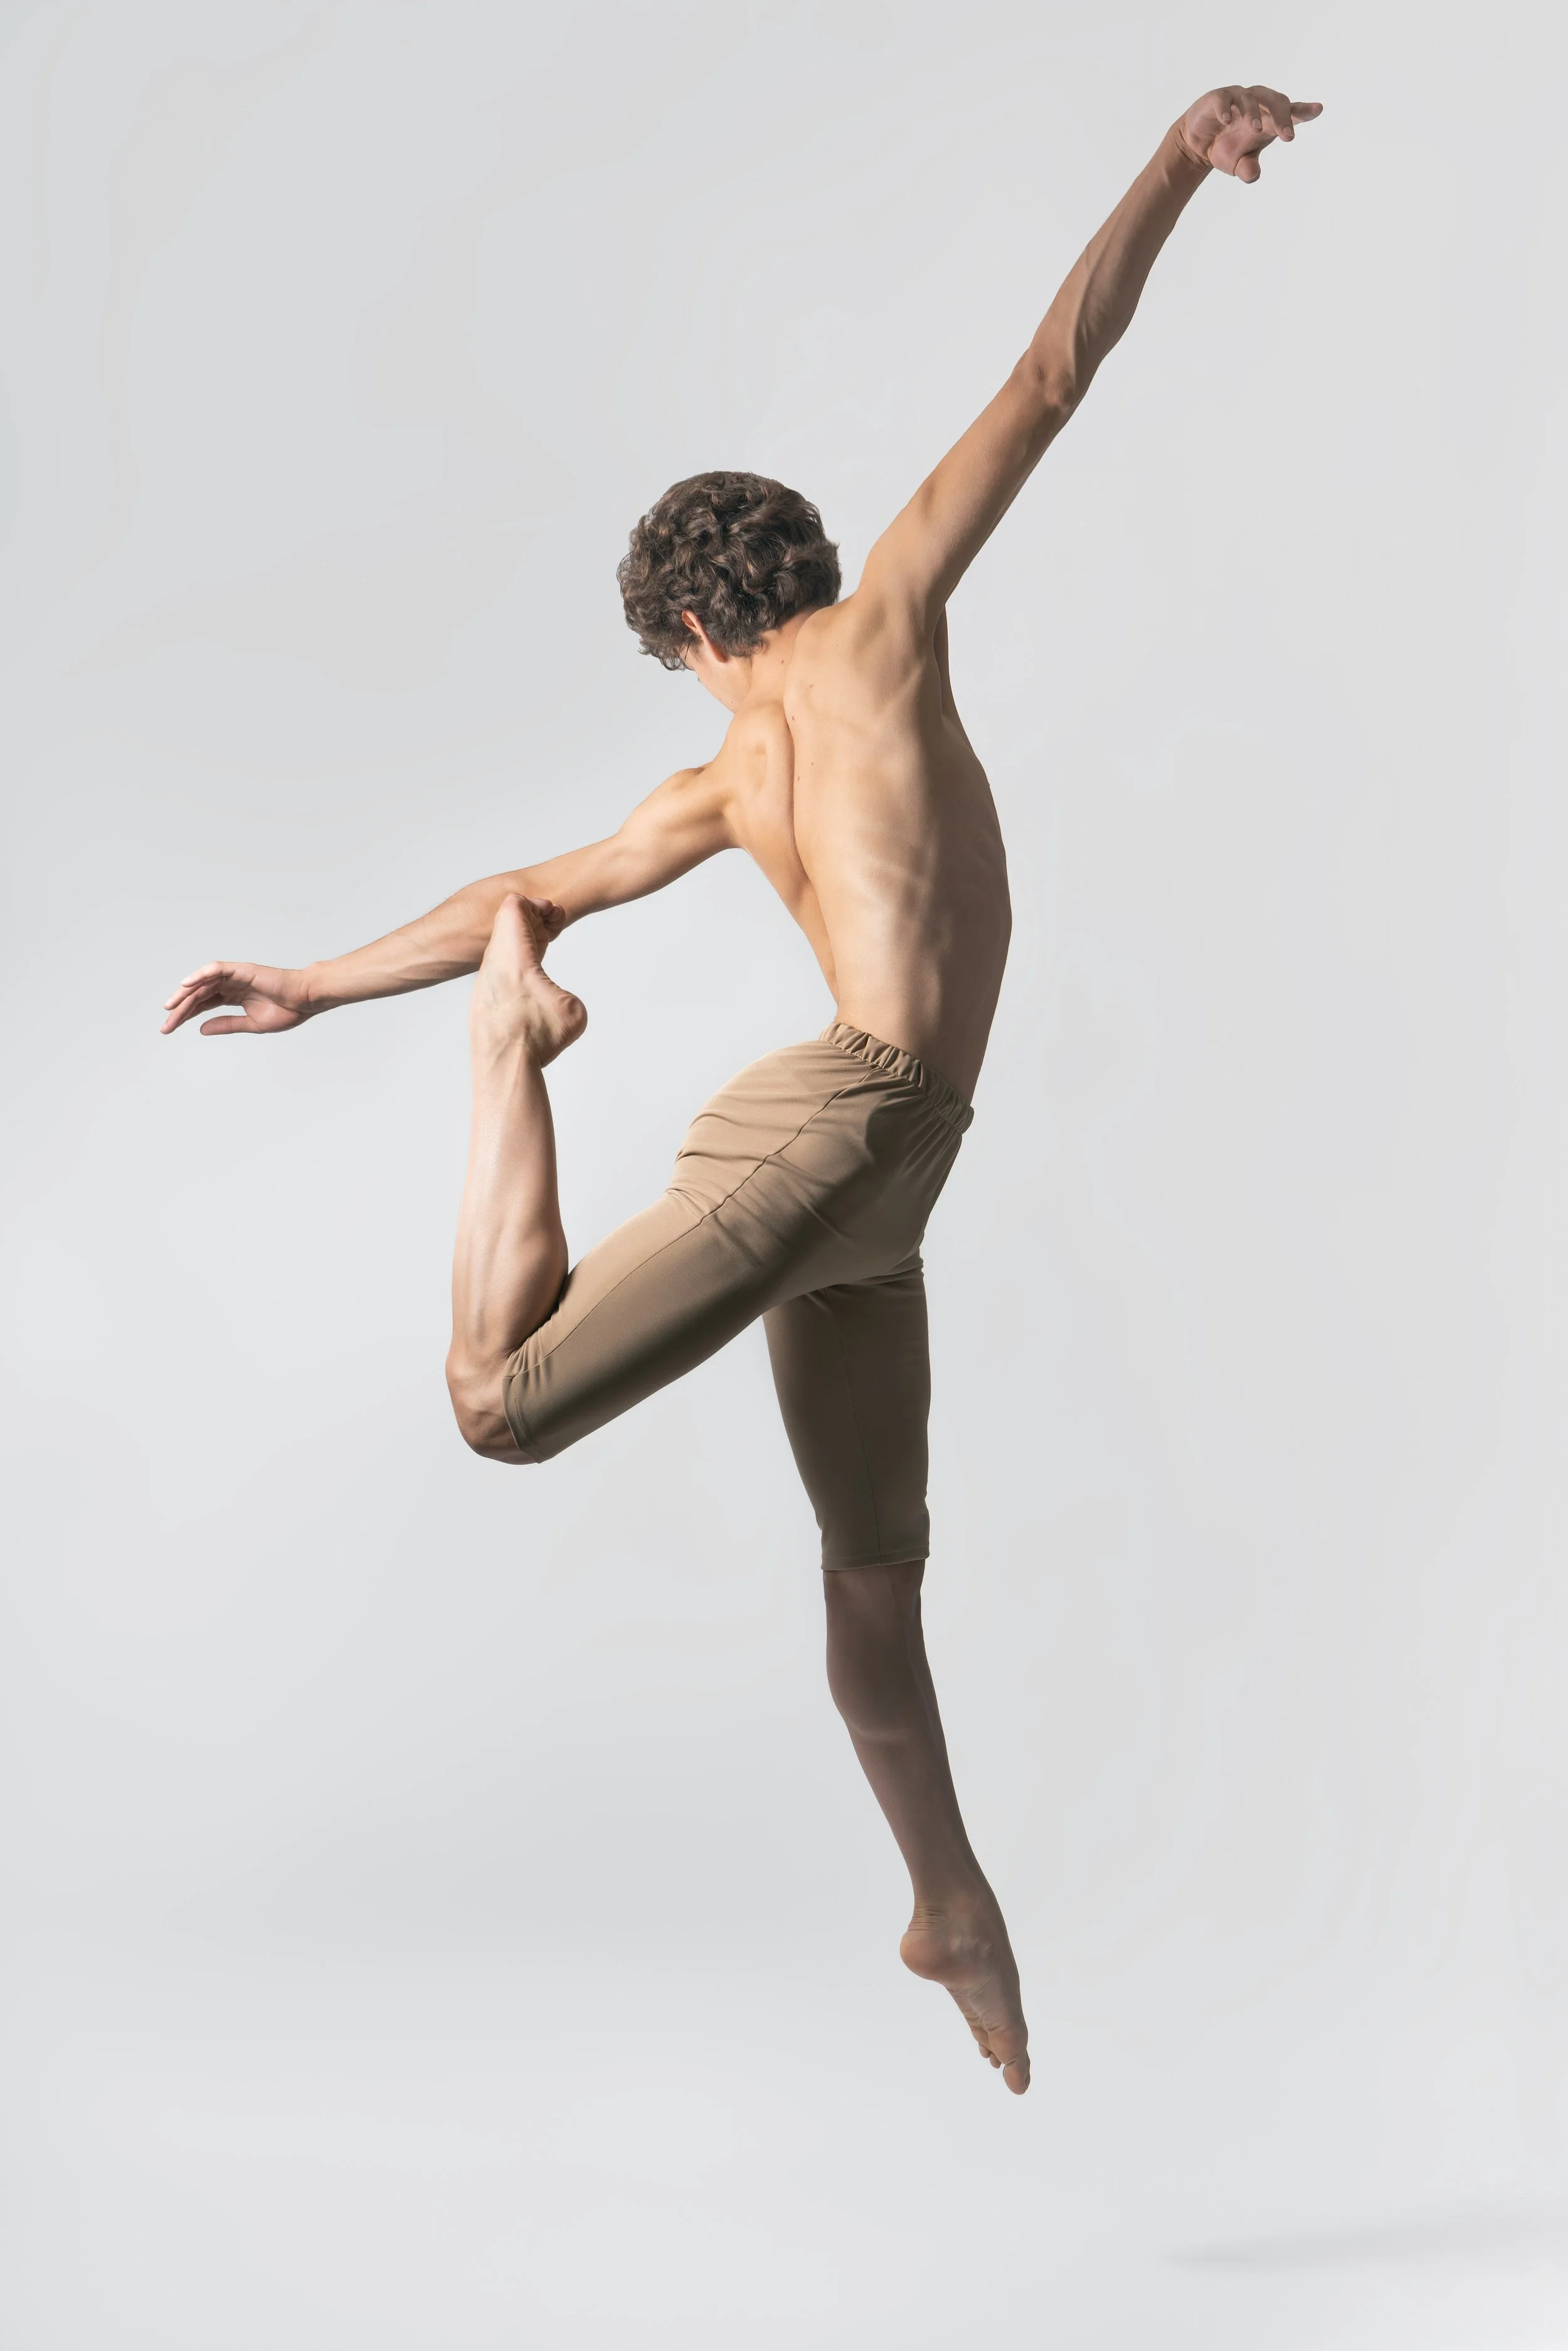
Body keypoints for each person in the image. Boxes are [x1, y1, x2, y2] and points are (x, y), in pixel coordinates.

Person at [162, 87, 1320, 2095]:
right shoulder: (863, 651)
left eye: (682, 658)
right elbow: (1050, 379)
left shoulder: (761, 728)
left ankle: (946, 1902)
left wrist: (314, 975)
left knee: (875, 1585)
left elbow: (525, 881)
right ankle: (507, 1057)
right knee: (499, 1402)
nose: (705, 700)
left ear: (696, 624)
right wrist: (1170, 164)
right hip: (862, 1140)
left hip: (876, 1182)